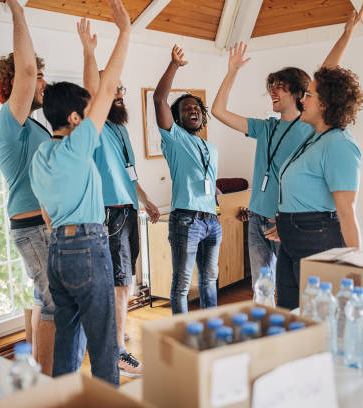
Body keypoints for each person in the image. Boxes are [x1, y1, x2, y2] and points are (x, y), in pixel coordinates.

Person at [211, 1, 363, 298]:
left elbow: (327, 75)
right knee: (266, 292)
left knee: (303, 299)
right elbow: (218, 110)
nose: (272, 91)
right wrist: (231, 71)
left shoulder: (316, 131)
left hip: (292, 225)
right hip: (265, 219)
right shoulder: (273, 128)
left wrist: (346, 35)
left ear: (302, 95)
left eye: (280, 87)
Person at [28, 0, 131, 386]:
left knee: (69, 341)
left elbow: (92, 94)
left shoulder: (43, 154)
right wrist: (125, 33)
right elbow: (105, 88)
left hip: (57, 252)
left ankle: (65, 398)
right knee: (104, 344)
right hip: (88, 246)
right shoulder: (78, 146)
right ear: (75, 119)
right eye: (85, 115)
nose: (92, 118)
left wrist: (88, 51)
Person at [0, 0, 76, 376]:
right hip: (32, 228)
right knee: (55, 303)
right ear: (16, 85)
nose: (43, 83)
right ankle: (47, 386)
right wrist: (17, 9)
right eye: (40, 77)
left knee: (50, 302)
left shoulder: (35, 127)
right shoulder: (9, 125)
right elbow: (25, 70)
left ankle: (46, 377)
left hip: (47, 226)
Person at [77, 17, 160, 377]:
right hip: (108, 215)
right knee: (120, 285)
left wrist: (145, 199)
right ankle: (116, 353)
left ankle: (114, 345)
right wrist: (89, 51)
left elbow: (130, 173)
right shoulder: (92, 128)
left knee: (123, 284)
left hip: (127, 212)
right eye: (115, 89)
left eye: (122, 89)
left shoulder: (121, 130)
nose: (120, 93)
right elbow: (97, 88)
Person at [275, 48, 363, 310]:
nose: (302, 100)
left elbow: (347, 212)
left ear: (325, 104)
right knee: (290, 315)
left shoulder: (339, 145)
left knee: (320, 317)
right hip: (293, 238)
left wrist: (356, 266)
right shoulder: (315, 135)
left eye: (309, 95)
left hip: (316, 238)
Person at [153, 46, 222, 315]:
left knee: (210, 280)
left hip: (211, 221)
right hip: (186, 221)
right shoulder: (174, 139)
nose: (193, 110)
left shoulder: (211, 148)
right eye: (186, 109)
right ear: (178, 117)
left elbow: (207, 180)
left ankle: (210, 330)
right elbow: (159, 99)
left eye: (196, 107)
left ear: (202, 115)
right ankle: (181, 335)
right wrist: (173, 65)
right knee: (182, 285)